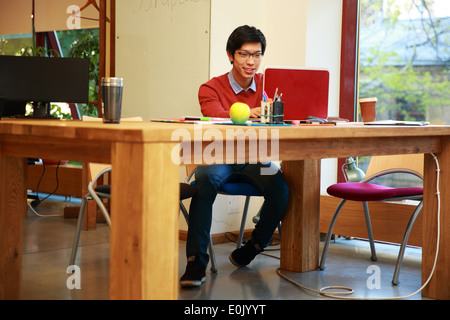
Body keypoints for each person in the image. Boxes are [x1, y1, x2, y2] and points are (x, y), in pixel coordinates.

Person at [180, 25, 289, 287]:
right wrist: (250, 111)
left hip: (254, 159)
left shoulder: (269, 85)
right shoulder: (210, 87)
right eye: (244, 54)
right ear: (230, 54)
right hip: (219, 156)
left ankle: (254, 245)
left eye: (257, 55)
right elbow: (213, 115)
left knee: (280, 185)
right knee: (204, 180)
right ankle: (196, 262)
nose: (251, 61)